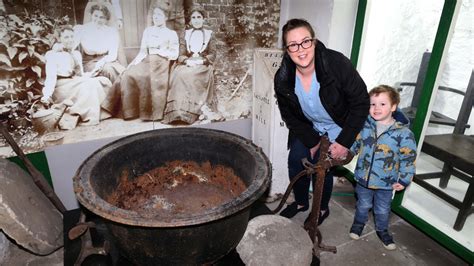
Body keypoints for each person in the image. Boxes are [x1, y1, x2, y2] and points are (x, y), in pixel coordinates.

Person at [274, 19, 370, 223]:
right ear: (287, 50)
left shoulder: (336, 64)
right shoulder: (283, 78)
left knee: (322, 168)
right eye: (293, 44)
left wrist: (344, 141)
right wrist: (312, 141)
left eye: (305, 41)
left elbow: (361, 102)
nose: (300, 49)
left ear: (314, 42)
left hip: (339, 124)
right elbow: (289, 114)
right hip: (309, 126)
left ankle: (322, 208)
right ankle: (301, 202)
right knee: (296, 161)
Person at [349, 85, 417, 250]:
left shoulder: (403, 133)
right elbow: (355, 144)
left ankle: (382, 230)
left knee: (382, 209)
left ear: (393, 107)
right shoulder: (365, 125)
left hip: (386, 183)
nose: (376, 108)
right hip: (363, 178)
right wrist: (344, 152)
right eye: (372, 104)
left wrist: (405, 179)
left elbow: (408, 158)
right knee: (363, 204)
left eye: (382, 104)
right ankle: (358, 223)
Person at [102, 6, 179, 121]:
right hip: (147, 60)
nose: (156, 17)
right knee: (128, 75)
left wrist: (159, 52)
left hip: (161, 62)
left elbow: (174, 54)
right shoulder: (148, 31)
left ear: (166, 17)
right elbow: (142, 52)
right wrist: (132, 64)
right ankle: (129, 112)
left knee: (146, 77)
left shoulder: (171, 33)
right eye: (154, 15)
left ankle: (150, 113)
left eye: (159, 15)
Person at [40, 25, 112, 126]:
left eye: (71, 37)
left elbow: (80, 74)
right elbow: (51, 78)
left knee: (102, 81)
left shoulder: (76, 53)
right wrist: (46, 95)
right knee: (89, 85)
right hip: (61, 87)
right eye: (66, 37)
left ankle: (103, 113)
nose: (70, 40)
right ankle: (90, 117)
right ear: (59, 39)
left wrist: (91, 74)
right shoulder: (53, 55)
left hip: (74, 81)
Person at [162, 6, 216, 125]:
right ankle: (177, 113)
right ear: (190, 20)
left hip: (202, 65)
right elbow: (180, 54)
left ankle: (190, 113)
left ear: (203, 19)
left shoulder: (209, 34)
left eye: (199, 17)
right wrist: (187, 61)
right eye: (193, 18)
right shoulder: (185, 34)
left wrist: (202, 61)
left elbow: (213, 54)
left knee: (191, 77)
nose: (196, 20)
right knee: (179, 75)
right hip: (188, 62)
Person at [74, 4, 125, 83]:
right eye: (96, 16)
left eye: (102, 17)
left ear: (106, 19)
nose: (98, 19)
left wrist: (102, 61)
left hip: (108, 60)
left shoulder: (111, 32)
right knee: (108, 70)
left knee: (123, 72)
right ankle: (116, 94)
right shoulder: (82, 29)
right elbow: (70, 46)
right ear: (92, 15)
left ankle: (122, 93)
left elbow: (113, 55)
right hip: (89, 61)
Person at [82, 0, 128, 65]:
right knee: (88, 34)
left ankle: (123, 67)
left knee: (114, 35)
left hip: (106, 4)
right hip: (91, 4)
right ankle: (90, 66)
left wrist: (119, 18)